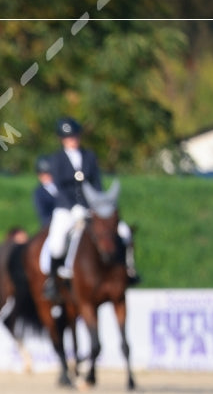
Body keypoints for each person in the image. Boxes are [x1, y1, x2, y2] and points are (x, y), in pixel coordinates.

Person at [44, 117, 139, 301]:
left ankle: (129, 270)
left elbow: (96, 183)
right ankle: (52, 281)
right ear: (62, 139)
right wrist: (73, 207)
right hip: (66, 208)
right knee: (56, 243)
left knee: (124, 232)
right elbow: (59, 187)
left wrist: (99, 206)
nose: (72, 139)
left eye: (74, 136)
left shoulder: (89, 157)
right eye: (68, 137)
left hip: (91, 207)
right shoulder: (56, 159)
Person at [32, 155, 57, 229]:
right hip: (51, 225)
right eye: (42, 174)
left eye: (48, 174)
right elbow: (43, 214)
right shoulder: (39, 193)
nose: (45, 177)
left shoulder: (61, 187)